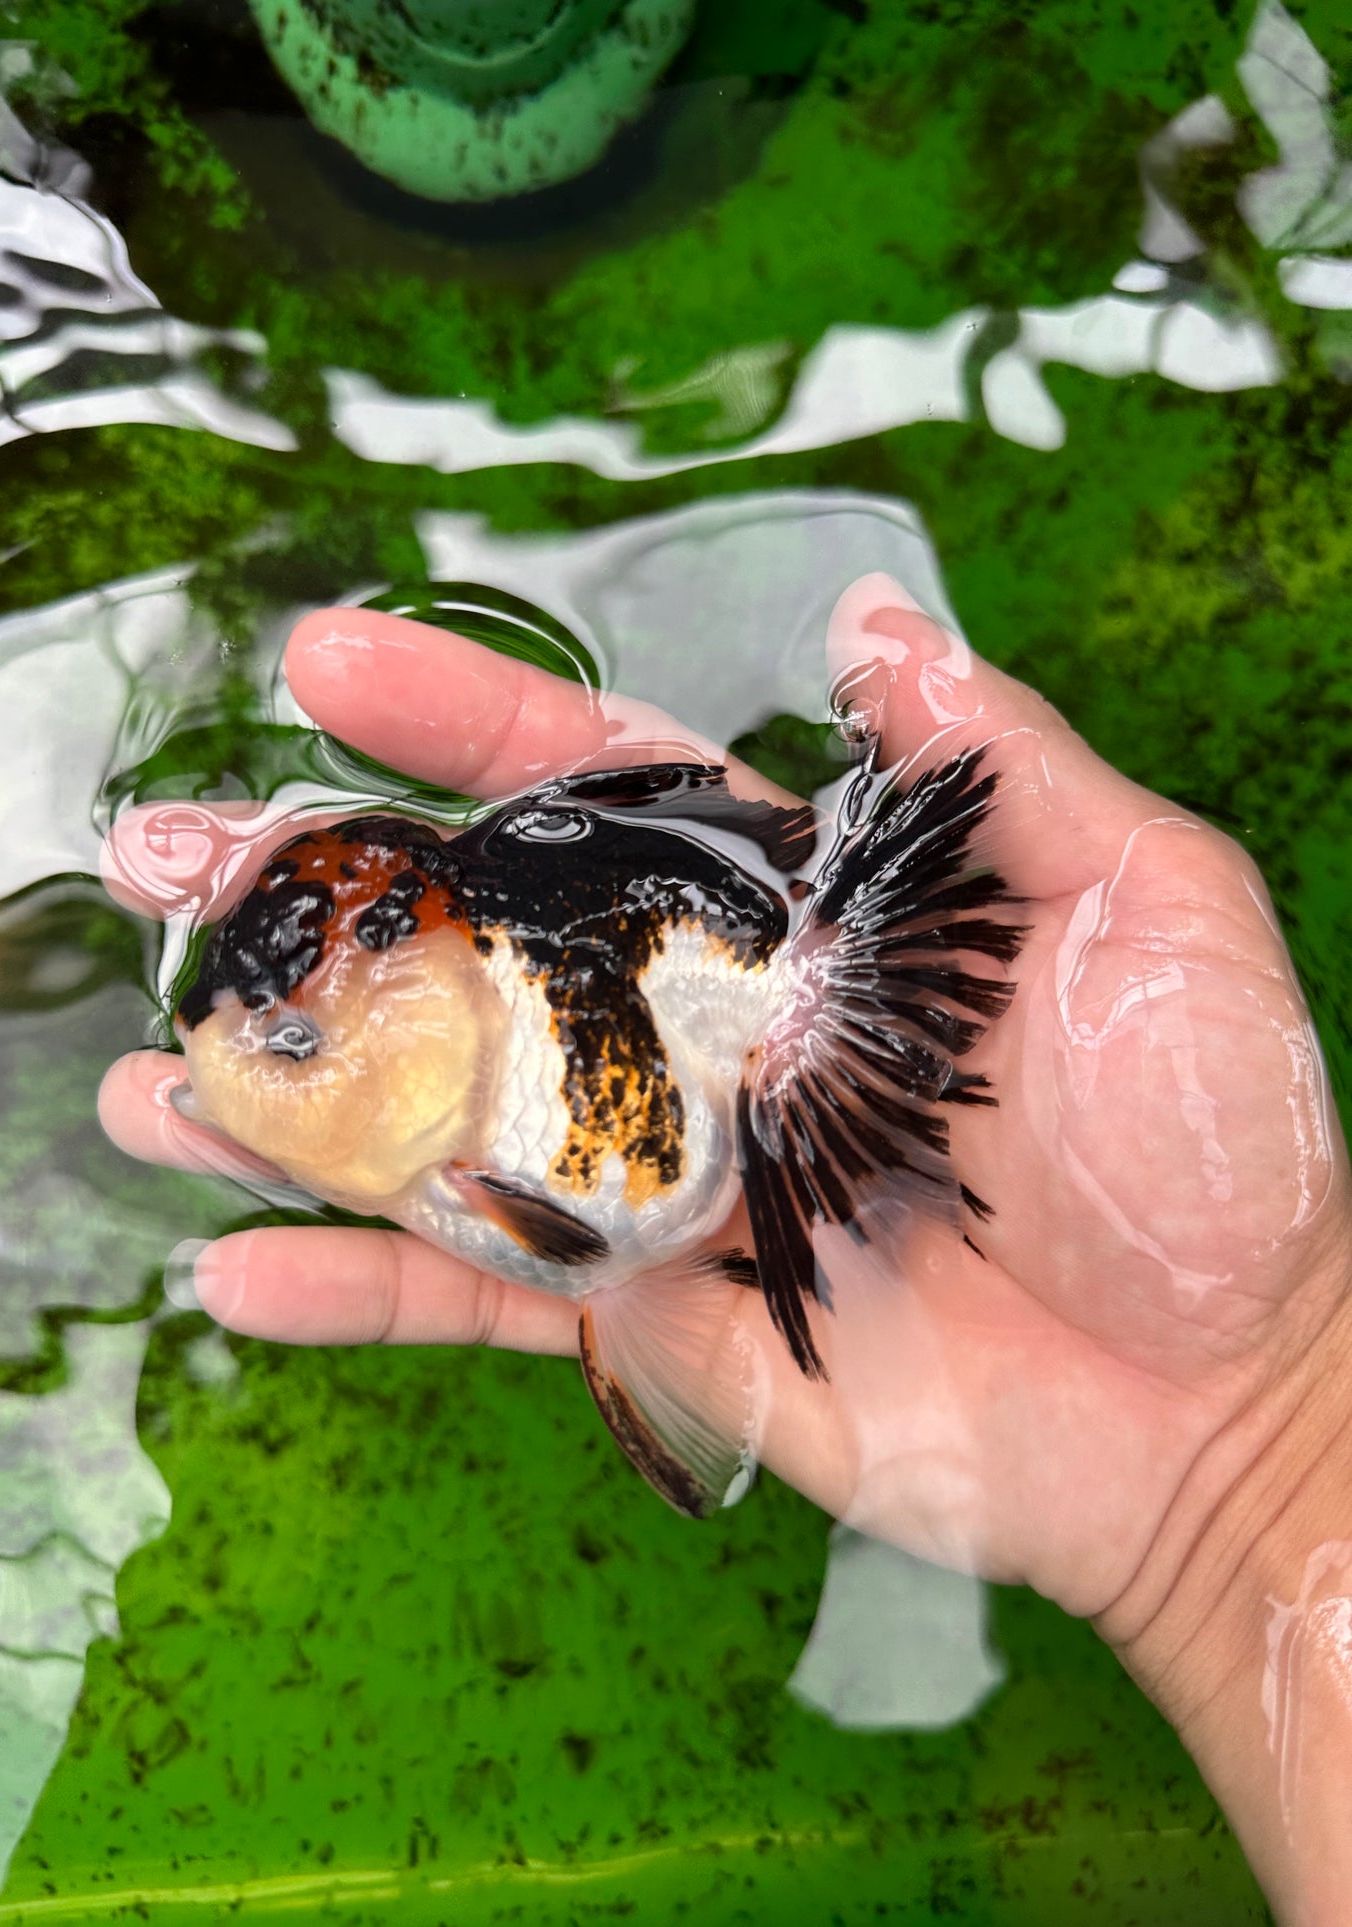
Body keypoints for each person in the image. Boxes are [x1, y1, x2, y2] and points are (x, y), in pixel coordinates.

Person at [99, 574, 1351, 1924]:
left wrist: (1274, 1454)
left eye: (295, 1048)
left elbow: (584, 1241)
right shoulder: (442, 1131)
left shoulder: (502, 1123)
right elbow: (598, 1268)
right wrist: (1270, 1469)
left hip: (696, 1057)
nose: (260, 1078)